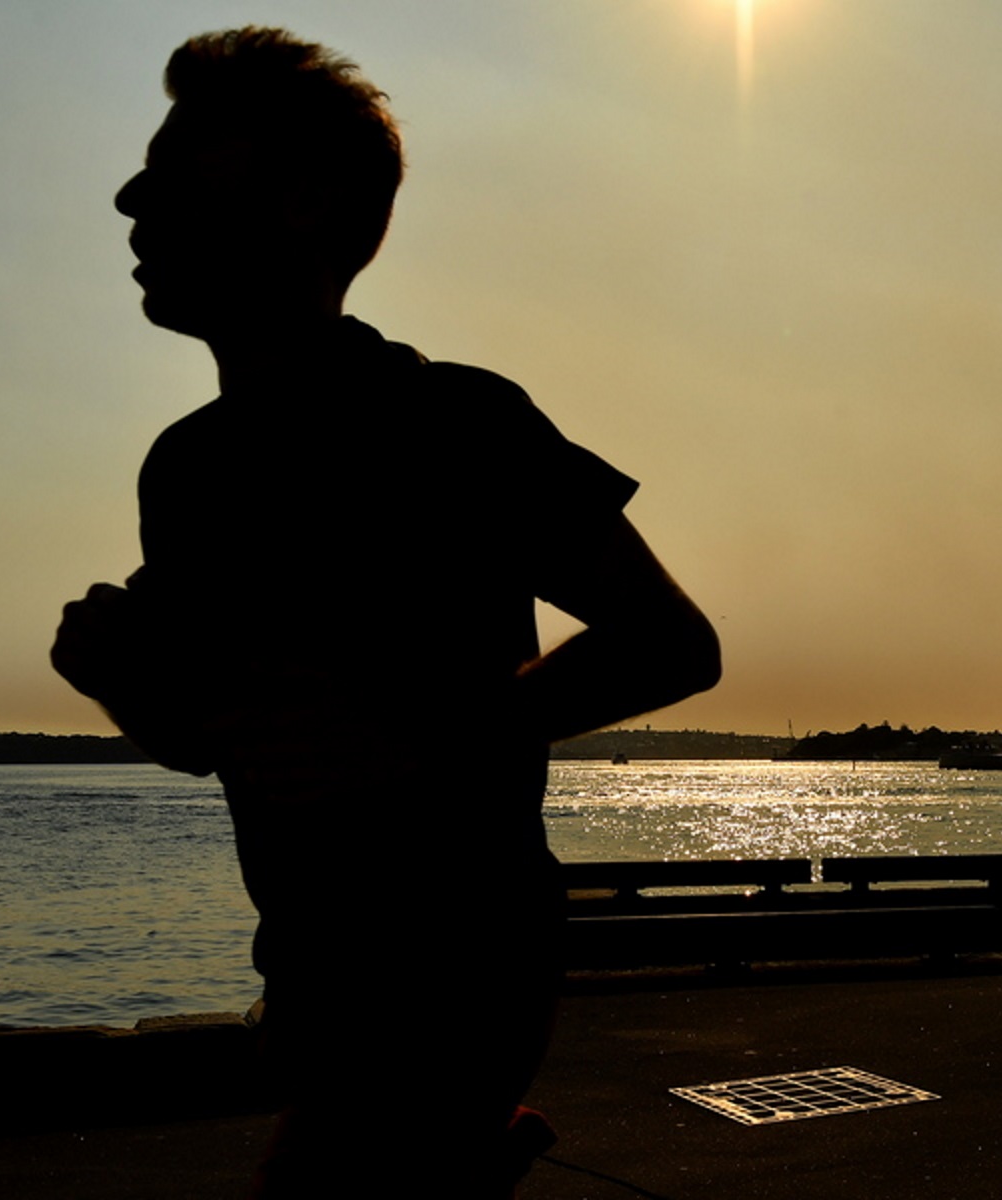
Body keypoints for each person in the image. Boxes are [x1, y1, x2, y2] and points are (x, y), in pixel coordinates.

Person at [50, 27, 720, 1197]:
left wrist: (421, 734)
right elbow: (216, 746)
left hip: (457, 977)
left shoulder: (455, 421)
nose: (129, 199)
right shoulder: (187, 468)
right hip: (313, 983)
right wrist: (124, 680)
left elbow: (673, 644)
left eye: (176, 171)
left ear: (305, 203)